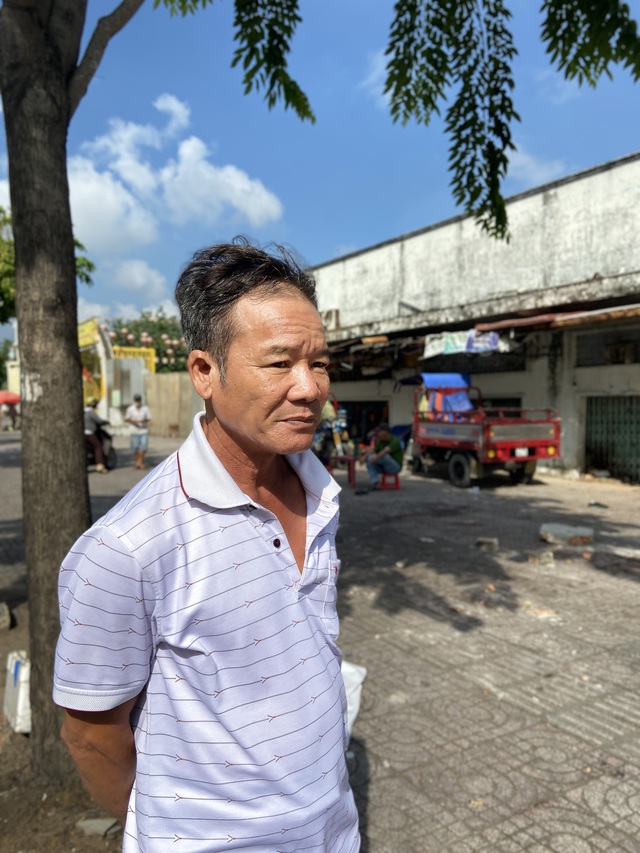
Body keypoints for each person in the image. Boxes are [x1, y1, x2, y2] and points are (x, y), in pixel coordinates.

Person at [53, 240, 360, 853]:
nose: (309, 388)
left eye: (320, 363)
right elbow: (91, 735)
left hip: (332, 833)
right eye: (279, 363)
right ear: (204, 373)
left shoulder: (317, 491)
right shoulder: (127, 547)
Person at [365, 422, 403, 489]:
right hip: (384, 467)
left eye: (379, 431)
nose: (378, 433)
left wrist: (375, 458)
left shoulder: (395, 440)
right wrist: (365, 457)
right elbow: (373, 450)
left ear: (385, 432)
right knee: (369, 461)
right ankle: (376, 483)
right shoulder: (381, 441)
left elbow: (385, 451)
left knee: (383, 456)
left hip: (395, 467)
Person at [124, 393, 152, 469]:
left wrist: (143, 420)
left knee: (143, 447)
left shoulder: (145, 408)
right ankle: (138, 463)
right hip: (134, 430)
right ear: (134, 400)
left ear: (140, 400)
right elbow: (126, 419)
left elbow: (149, 418)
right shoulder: (130, 409)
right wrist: (133, 421)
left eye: (139, 400)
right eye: (136, 400)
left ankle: (139, 462)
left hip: (143, 430)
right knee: (135, 448)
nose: (137, 401)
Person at [83, 398, 109, 474]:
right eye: (95, 403)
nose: (96, 405)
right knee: (98, 447)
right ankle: (100, 466)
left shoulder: (84, 411)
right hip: (89, 433)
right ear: (91, 403)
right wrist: (106, 422)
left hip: (83, 433)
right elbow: (99, 421)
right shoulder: (90, 412)